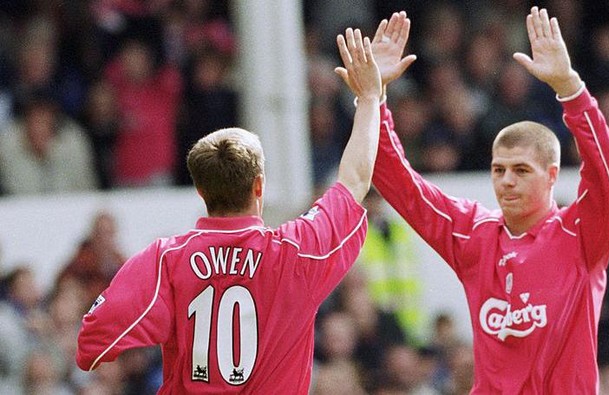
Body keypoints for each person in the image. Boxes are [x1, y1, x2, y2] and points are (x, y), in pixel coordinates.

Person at [76, 28, 383, 394]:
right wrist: (368, 98)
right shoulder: (297, 249)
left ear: (201, 190)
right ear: (259, 187)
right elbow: (355, 179)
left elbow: (91, 345)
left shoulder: (166, 259)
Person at [361, 8, 609, 392]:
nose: (507, 181)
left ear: (552, 175)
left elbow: (605, 175)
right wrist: (374, 97)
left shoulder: (581, 235)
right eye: (499, 170)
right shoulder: (473, 234)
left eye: (521, 170)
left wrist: (570, 88)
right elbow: (398, 182)